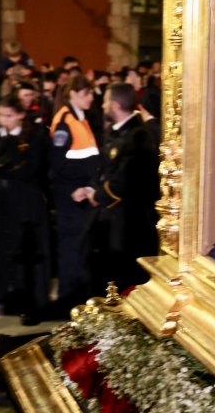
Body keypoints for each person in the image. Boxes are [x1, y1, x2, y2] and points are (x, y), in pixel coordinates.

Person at [79, 83, 160, 292]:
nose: (103, 105)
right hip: (113, 217)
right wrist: (93, 188)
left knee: (124, 274)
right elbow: (105, 169)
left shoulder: (137, 136)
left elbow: (124, 181)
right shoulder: (117, 134)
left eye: (106, 101)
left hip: (129, 221)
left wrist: (99, 194)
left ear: (114, 105)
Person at [0, 96, 50, 324]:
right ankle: (6, 293)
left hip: (26, 201)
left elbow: (29, 169)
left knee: (26, 251)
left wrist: (8, 163)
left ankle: (30, 301)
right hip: (2, 201)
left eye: (9, 116)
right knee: (4, 247)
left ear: (21, 115)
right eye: (0, 115)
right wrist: (8, 163)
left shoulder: (34, 136)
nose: (4, 120)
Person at [47, 75, 102, 305]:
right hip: (70, 194)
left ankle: (78, 297)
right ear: (73, 95)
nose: (91, 98)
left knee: (80, 247)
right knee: (70, 248)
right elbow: (59, 163)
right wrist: (77, 187)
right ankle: (67, 300)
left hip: (82, 191)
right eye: (86, 94)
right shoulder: (64, 122)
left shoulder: (81, 119)